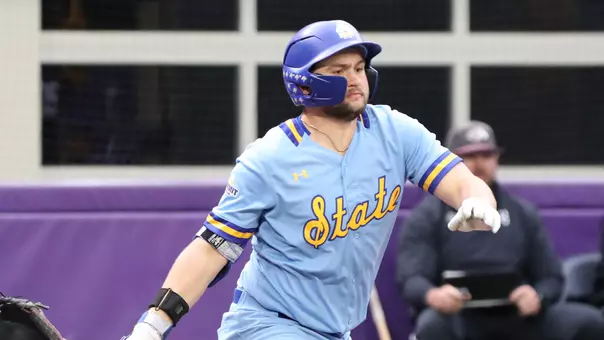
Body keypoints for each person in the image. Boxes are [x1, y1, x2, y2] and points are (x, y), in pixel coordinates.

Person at [122, 20, 502, 340]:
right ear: (303, 82)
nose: (355, 79)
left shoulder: (395, 131)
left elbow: (463, 181)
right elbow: (211, 249)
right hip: (268, 326)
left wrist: (478, 202)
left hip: (335, 331)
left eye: (358, 68)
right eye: (338, 71)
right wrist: (153, 324)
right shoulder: (268, 158)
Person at [396, 121, 604, 340]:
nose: (479, 163)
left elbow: (551, 277)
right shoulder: (428, 216)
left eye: (486, 155)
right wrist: (434, 295)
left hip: (517, 316)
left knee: (587, 322)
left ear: (496, 158)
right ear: (450, 162)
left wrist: (537, 296)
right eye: (469, 156)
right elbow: (412, 279)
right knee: (432, 326)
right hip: (458, 317)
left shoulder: (522, 212)